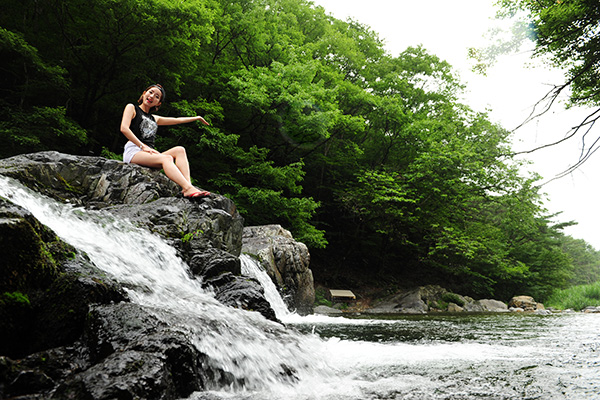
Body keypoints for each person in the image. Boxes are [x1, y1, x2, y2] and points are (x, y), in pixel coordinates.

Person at [120, 84, 210, 199]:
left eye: (157, 96)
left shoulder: (154, 118)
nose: (152, 96)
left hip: (149, 153)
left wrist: (196, 117)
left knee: (180, 150)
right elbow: (124, 128)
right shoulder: (132, 108)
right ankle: (188, 188)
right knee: (167, 158)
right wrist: (142, 146)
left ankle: (187, 186)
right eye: (150, 92)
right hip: (134, 151)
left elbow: (177, 120)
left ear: (158, 103)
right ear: (144, 93)